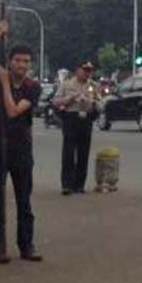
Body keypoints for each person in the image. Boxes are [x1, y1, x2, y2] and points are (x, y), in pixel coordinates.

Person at [0, 21, 43, 264]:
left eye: (26, 61)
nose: (22, 65)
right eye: (18, 60)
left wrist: (3, 85)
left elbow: (13, 111)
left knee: (24, 199)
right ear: (10, 61)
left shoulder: (32, 88)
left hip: (21, 149)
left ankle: (27, 245)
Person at [54, 61, 101, 194]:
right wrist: (70, 99)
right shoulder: (67, 84)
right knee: (68, 152)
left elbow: (100, 103)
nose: (87, 73)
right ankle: (67, 185)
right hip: (71, 117)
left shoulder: (93, 86)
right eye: (84, 70)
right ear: (77, 70)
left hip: (86, 119)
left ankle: (79, 184)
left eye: (89, 70)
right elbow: (56, 101)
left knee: (83, 152)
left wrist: (91, 102)